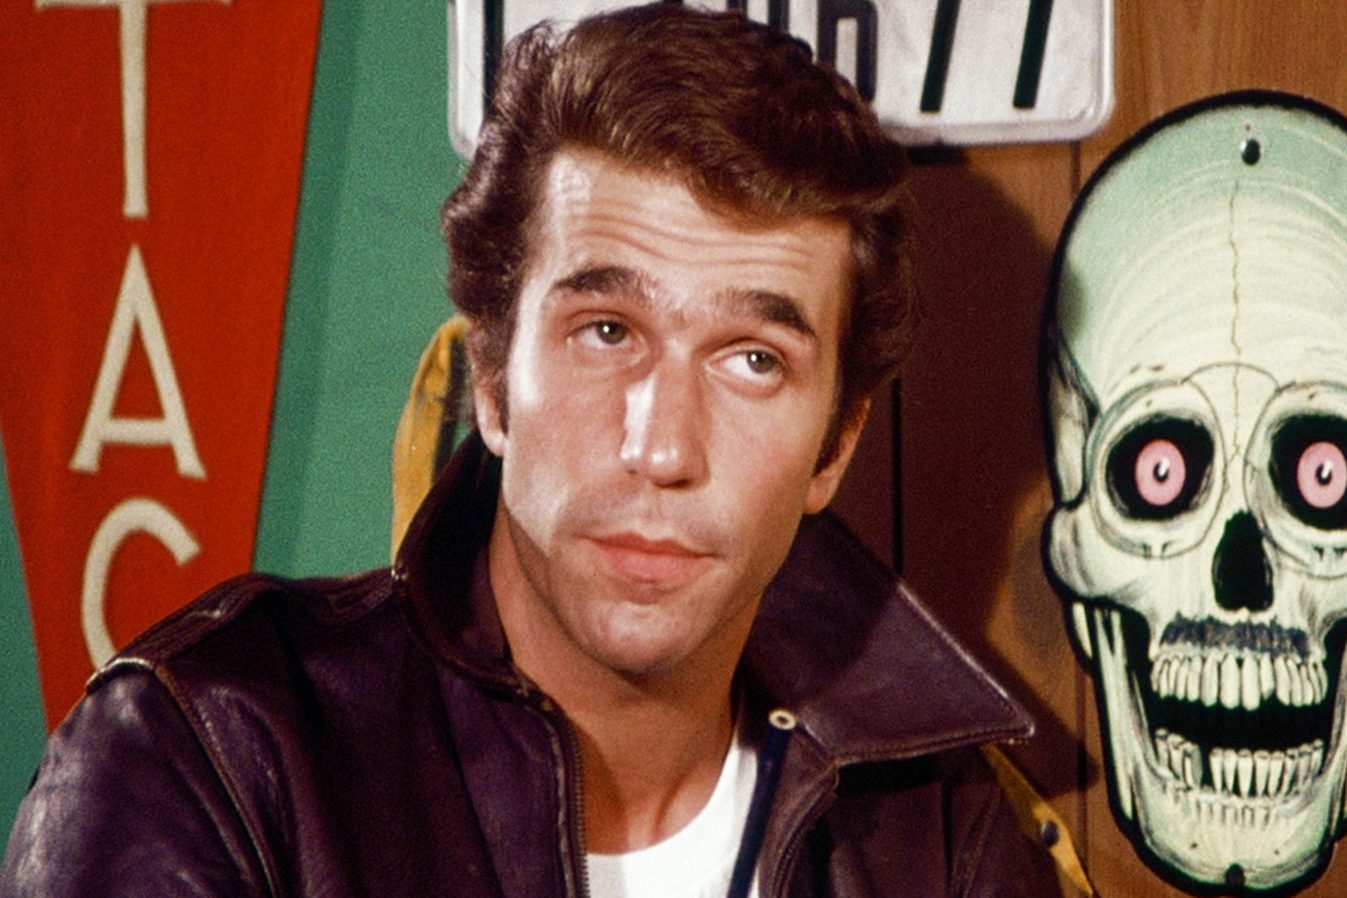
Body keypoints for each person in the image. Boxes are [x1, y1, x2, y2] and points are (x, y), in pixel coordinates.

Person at [1, 5, 1065, 896]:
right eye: (606, 331)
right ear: (493, 382)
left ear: (834, 449)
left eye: (752, 359)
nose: (661, 446)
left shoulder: (936, 834)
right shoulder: (219, 757)